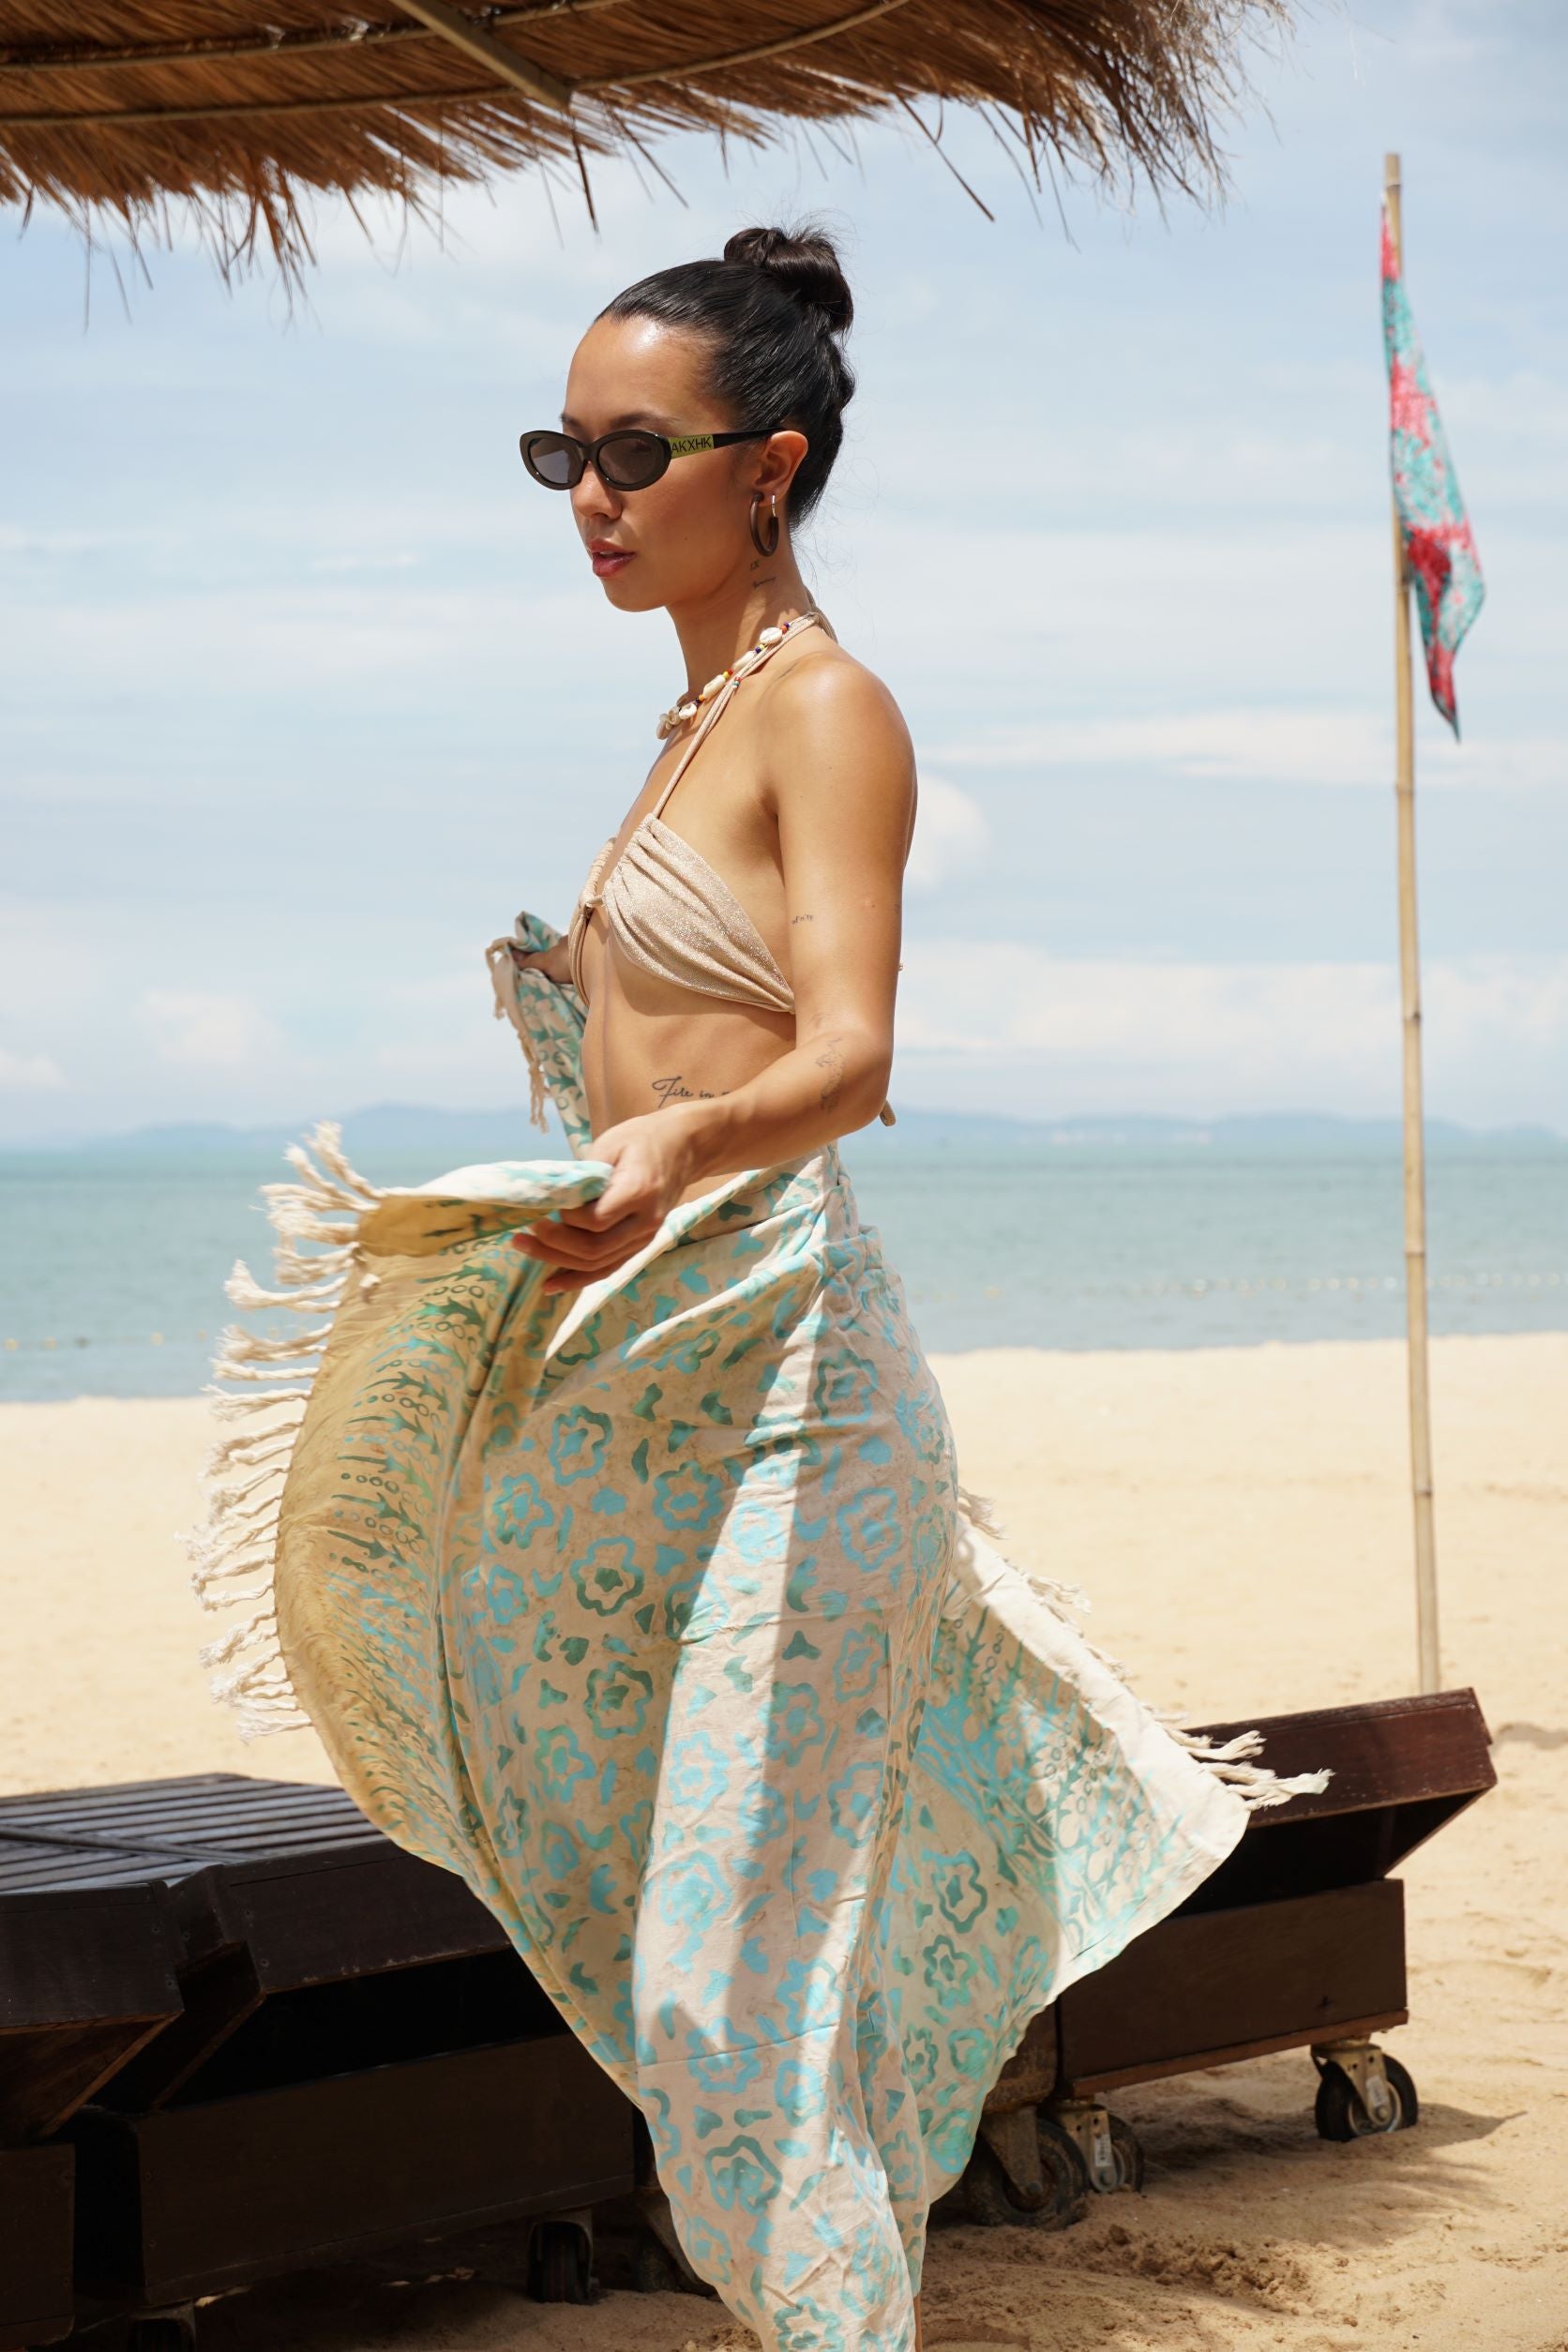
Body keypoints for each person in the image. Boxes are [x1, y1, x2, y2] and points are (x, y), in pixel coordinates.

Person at [193, 219, 1326, 2352]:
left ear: (769, 464)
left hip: (791, 1405)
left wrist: (677, 1143)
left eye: (634, 452)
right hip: (639, 1394)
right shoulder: (681, 723)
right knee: (667, 1956)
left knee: (733, 1975)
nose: (592, 498)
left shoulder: (826, 709)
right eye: (558, 456)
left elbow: (848, 1054)